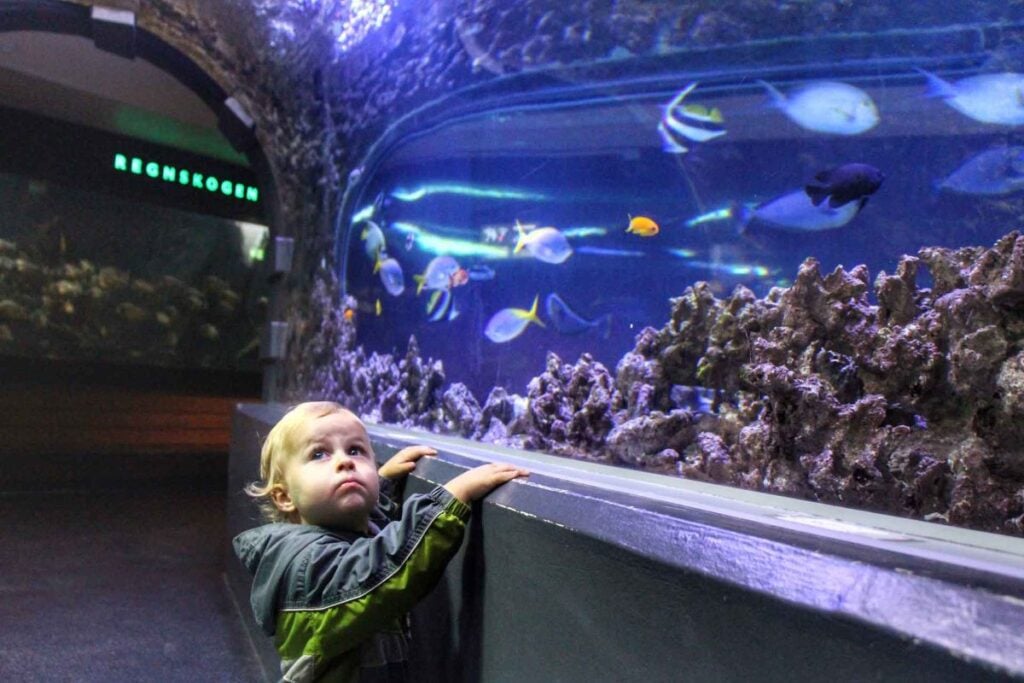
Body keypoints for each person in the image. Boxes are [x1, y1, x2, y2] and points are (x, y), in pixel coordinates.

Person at [233, 401, 529, 682]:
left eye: (356, 450)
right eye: (319, 454)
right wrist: (448, 501)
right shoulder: (305, 565)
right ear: (284, 497)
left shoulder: (340, 531)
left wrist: (381, 484)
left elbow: (367, 531)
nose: (344, 462)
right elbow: (379, 573)